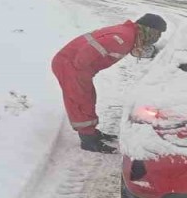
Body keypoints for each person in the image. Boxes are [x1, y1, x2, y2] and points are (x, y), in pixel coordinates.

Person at [51, 14, 168, 153]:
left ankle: (91, 132)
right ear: (149, 30)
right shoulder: (123, 38)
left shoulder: (129, 34)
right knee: (81, 101)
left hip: (75, 66)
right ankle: (88, 141)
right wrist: (83, 71)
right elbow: (85, 55)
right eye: (157, 34)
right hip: (71, 66)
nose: (157, 38)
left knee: (87, 98)